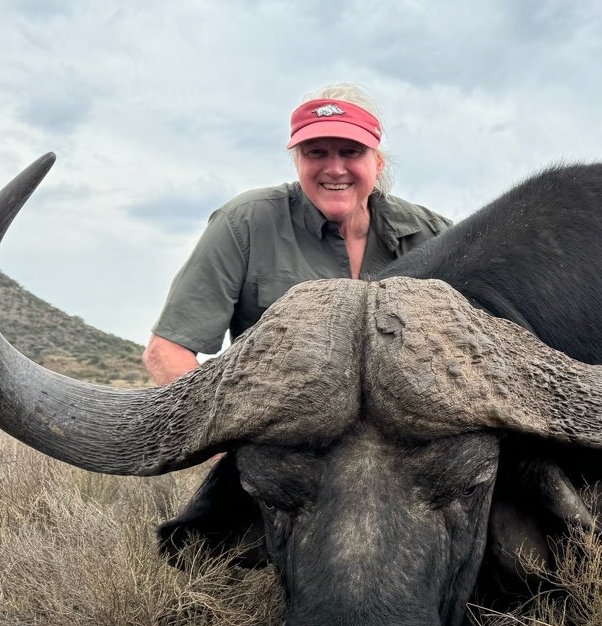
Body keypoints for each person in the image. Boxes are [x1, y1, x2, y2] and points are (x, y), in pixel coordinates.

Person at [145, 83, 451, 558]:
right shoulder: (246, 222)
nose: (334, 168)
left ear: (377, 162)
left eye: (351, 151)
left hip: (406, 456)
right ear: (297, 161)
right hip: (287, 452)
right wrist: (236, 451)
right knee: (203, 558)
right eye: (316, 152)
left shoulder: (433, 234)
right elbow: (168, 352)